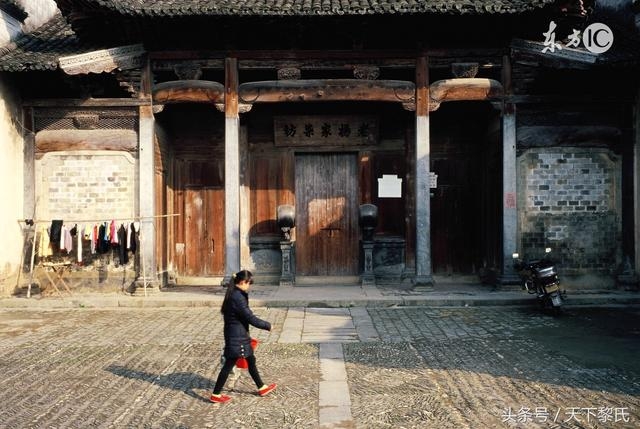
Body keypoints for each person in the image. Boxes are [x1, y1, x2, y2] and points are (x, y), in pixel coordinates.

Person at [210, 269, 277, 403]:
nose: (249, 286)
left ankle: (261, 387)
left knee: (251, 360)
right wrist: (267, 325)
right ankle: (216, 394)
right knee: (229, 364)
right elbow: (249, 317)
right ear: (242, 282)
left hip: (238, 334)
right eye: (248, 283)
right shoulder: (237, 297)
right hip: (237, 336)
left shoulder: (234, 294)